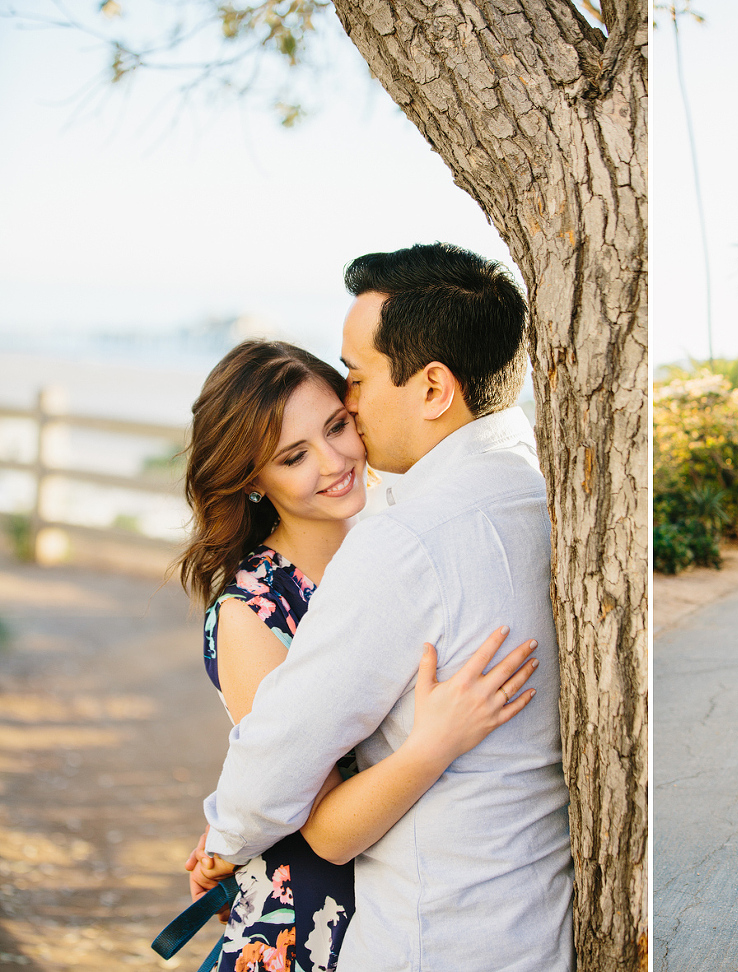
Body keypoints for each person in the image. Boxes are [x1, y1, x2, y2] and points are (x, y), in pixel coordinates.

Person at [201, 243, 574, 971]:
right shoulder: (541, 491)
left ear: (434, 388)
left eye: (358, 378)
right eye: (291, 454)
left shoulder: (403, 540)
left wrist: (221, 841)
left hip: (433, 931)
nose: (351, 404)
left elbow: (274, 765)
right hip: (533, 918)